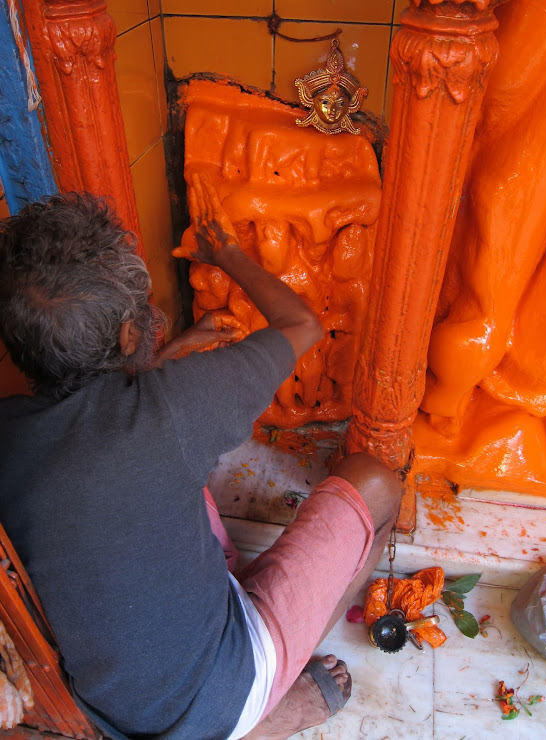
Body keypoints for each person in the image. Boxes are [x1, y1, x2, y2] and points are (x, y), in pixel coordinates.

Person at [0, 176, 401, 740]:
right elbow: (303, 324)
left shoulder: (11, 432)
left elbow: (104, 418)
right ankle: (268, 708)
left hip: (113, 711)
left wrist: (174, 354)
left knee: (161, 490)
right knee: (377, 484)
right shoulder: (171, 409)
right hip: (216, 694)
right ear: (126, 337)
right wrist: (225, 252)